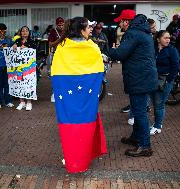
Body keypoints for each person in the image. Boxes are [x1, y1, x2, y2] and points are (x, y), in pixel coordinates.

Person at [51, 17, 107, 173]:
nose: (91, 29)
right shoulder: (92, 47)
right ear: (81, 29)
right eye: (88, 27)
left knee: (71, 124)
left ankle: (75, 156)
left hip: (67, 99)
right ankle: (78, 157)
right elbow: (99, 71)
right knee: (84, 124)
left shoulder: (62, 47)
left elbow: (55, 73)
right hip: (86, 98)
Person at [107, 10, 158, 157]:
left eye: (121, 21)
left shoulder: (133, 33)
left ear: (126, 21)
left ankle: (145, 146)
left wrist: (110, 50)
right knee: (138, 110)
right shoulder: (143, 31)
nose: (119, 24)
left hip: (139, 79)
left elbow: (120, 54)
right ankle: (136, 138)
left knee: (140, 113)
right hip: (144, 77)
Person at [150, 30, 180, 135]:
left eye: (169, 38)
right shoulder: (153, 49)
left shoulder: (172, 50)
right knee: (155, 102)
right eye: (165, 38)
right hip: (153, 79)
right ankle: (157, 123)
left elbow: (176, 67)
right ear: (158, 39)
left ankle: (158, 126)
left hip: (165, 80)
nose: (168, 40)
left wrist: (168, 81)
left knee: (159, 104)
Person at [12, 26, 37, 111]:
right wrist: (14, 47)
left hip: (29, 69)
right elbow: (12, 53)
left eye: (26, 31)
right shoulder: (17, 41)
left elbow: (35, 52)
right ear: (20, 32)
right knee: (19, 84)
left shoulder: (32, 42)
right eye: (23, 31)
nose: (24, 32)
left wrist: (27, 48)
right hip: (19, 68)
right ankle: (22, 102)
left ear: (29, 32)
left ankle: (29, 102)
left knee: (28, 84)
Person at [48, 17, 65, 102]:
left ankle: (64, 92)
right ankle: (54, 93)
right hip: (56, 55)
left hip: (66, 56)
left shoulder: (67, 31)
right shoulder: (53, 31)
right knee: (56, 74)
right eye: (59, 25)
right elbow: (50, 44)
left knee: (65, 74)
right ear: (56, 25)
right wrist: (59, 40)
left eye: (62, 25)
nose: (61, 27)